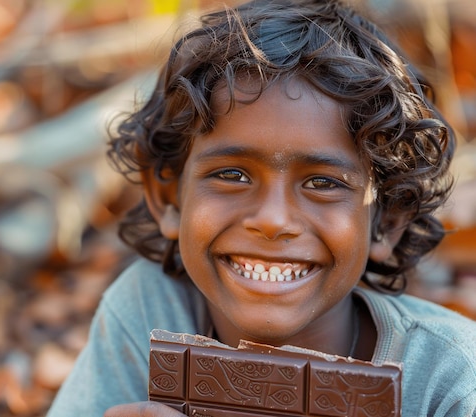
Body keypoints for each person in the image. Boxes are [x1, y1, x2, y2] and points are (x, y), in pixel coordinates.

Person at [47, 0, 476, 415]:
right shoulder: (150, 311)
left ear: (387, 220)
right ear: (167, 197)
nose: (272, 220)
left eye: (323, 183)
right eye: (232, 175)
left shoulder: (448, 378)